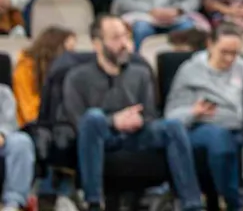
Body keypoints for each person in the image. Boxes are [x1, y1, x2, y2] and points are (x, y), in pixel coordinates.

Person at [63, 14, 204, 211]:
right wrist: (113, 121)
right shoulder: (77, 77)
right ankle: (93, 201)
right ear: (97, 44)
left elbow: (151, 115)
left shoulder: (141, 72)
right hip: (102, 137)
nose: (124, 44)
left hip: (137, 135)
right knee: (93, 117)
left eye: (126, 37)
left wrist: (138, 120)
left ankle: (192, 204)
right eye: (115, 38)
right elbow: (78, 122)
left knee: (173, 126)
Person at [164, 23, 243, 211]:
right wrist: (194, 112)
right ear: (210, 45)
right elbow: (172, 115)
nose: (229, 58)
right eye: (224, 52)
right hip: (204, 128)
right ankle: (233, 201)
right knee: (220, 140)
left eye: (235, 53)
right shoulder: (190, 71)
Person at [13, 26, 75, 127]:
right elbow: (29, 113)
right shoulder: (24, 68)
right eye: (68, 52)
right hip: (30, 127)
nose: (71, 58)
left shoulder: (67, 71)